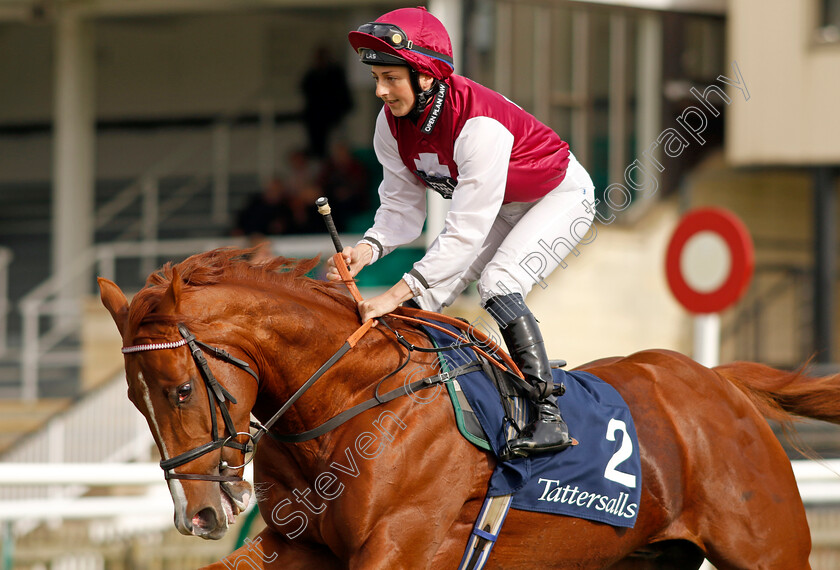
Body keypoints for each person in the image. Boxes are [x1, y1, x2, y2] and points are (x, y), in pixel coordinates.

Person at [326, 7, 595, 457]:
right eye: (377, 78)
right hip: (499, 208)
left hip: (558, 196)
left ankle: (549, 415)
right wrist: (368, 249)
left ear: (426, 75)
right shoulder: (388, 127)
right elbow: (401, 210)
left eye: (390, 77)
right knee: (422, 301)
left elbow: (465, 233)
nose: (380, 91)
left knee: (498, 284)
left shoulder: (478, 126)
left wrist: (393, 293)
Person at [300, 46, 354, 158]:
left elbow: (342, 95)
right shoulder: (312, 75)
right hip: (316, 118)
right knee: (318, 146)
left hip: (334, 116)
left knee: (336, 144)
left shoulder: (335, 73)